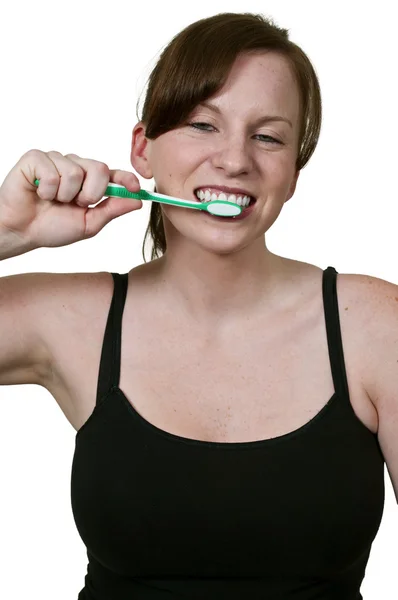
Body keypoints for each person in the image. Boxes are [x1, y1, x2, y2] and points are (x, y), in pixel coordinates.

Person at [0, 11, 396, 600]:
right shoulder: (70, 320)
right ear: (144, 150)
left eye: (268, 136)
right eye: (202, 125)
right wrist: (7, 232)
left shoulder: (373, 324)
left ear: (292, 176)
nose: (235, 160)